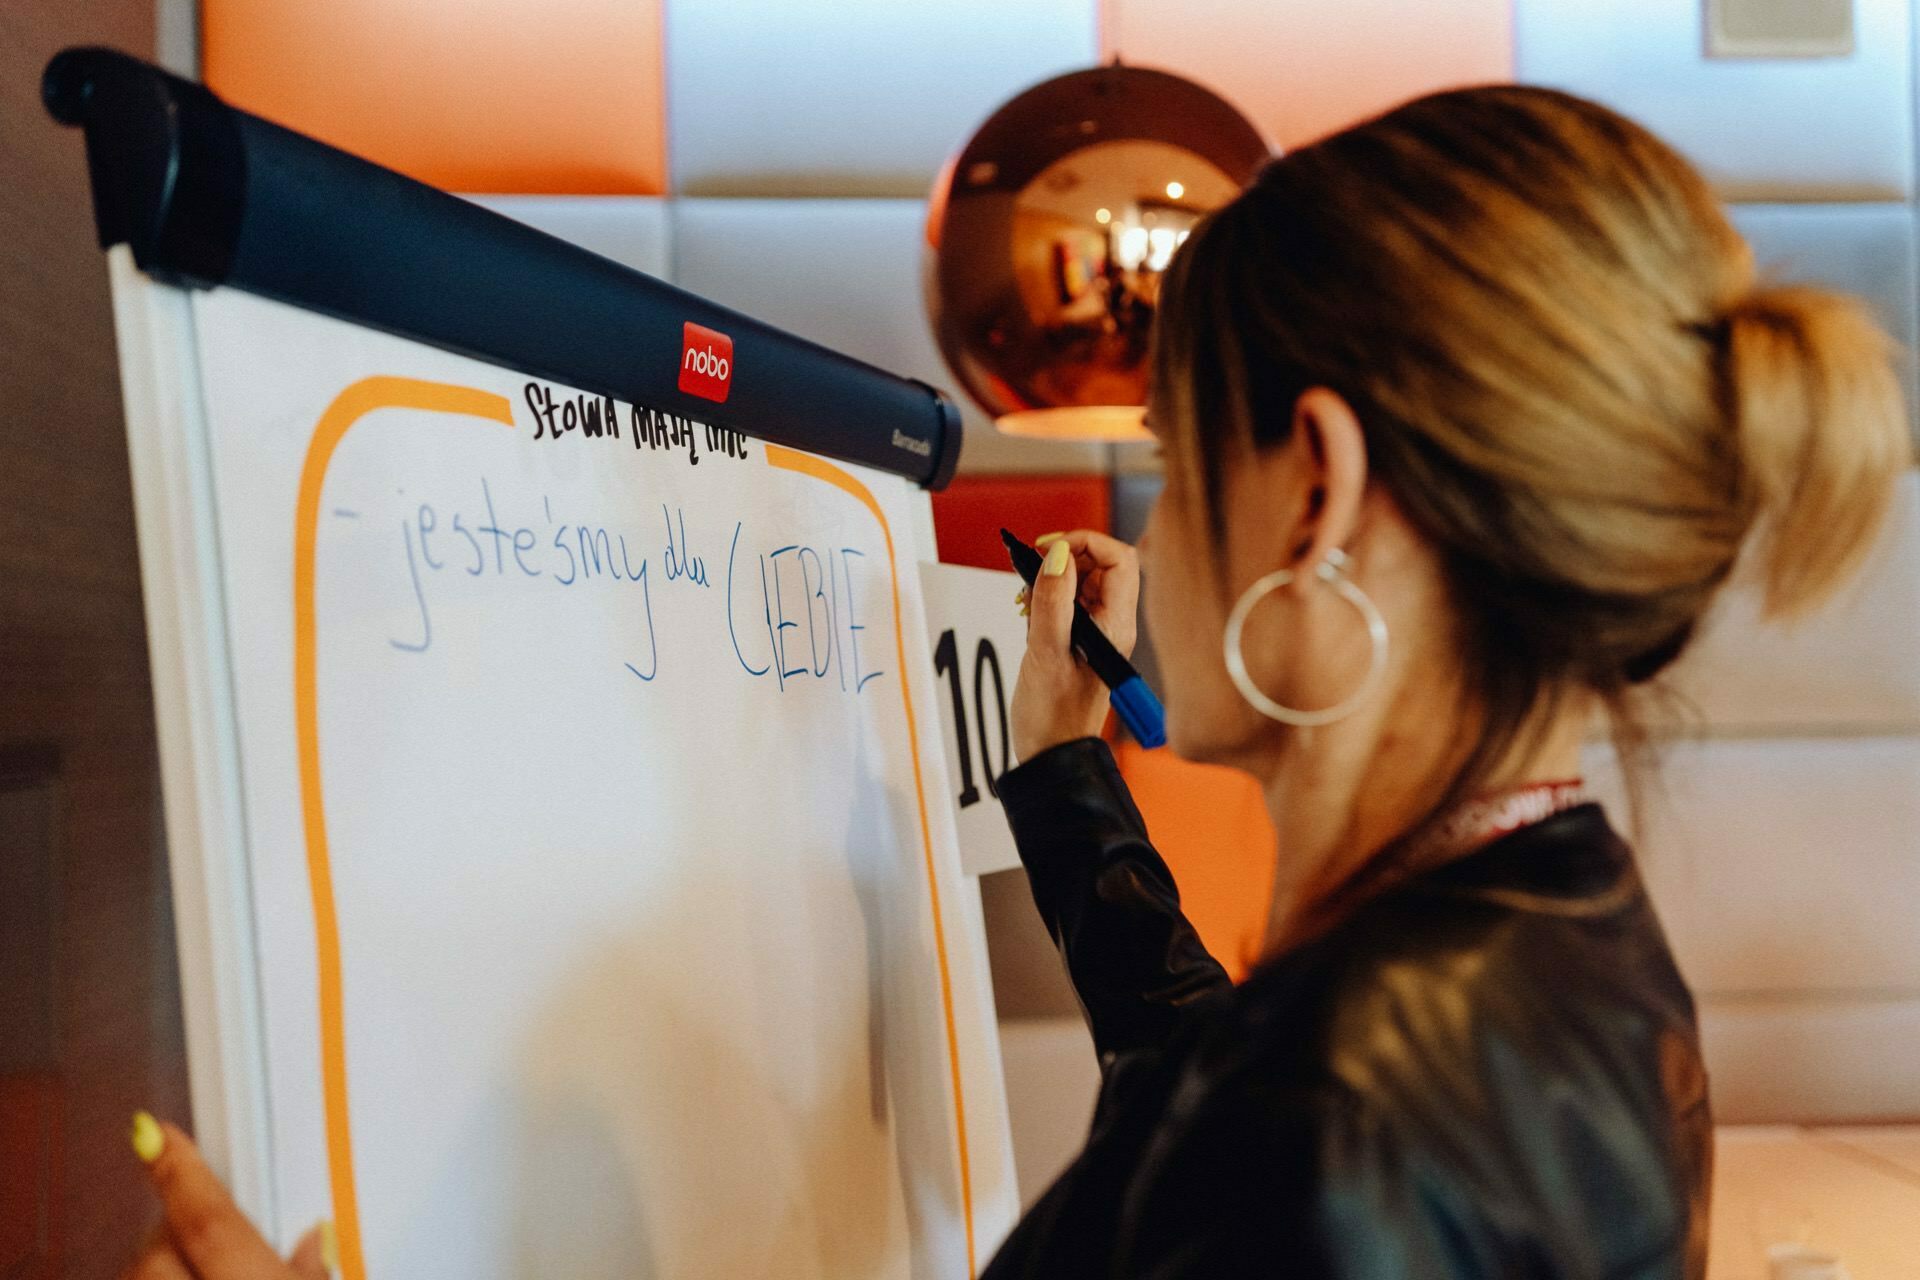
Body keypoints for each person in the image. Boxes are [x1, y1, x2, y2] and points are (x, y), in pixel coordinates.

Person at [121, 84, 1906, 1279]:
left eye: (1169, 452)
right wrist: (1066, 777)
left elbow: (1261, 1147)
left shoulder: (1332, 1116)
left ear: (1315, 489)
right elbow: (1216, 1097)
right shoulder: (1559, 921)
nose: (1155, 527)